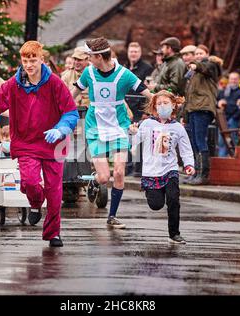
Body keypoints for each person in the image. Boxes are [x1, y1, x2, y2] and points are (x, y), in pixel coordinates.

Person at [0, 41, 79, 247]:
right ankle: (35, 203)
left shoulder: (55, 83)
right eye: (25, 61)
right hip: (25, 142)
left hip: (53, 143)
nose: (29, 65)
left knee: (54, 190)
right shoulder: (14, 84)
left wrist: (60, 128)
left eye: (33, 60)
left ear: (42, 60)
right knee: (30, 182)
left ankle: (53, 233)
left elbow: (71, 112)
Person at [72, 37, 153, 229]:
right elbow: (71, 96)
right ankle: (94, 181)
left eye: (90, 56)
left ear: (99, 56)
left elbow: (148, 94)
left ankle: (112, 216)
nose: (88, 60)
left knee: (118, 172)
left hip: (119, 128)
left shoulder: (125, 74)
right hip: (95, 128)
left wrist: (164, 105)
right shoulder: (89, 73)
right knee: (103, 178)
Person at [129, 90, 195, 243]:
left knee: (173, 200)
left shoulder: (178, 128)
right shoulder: (147, 124)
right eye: (159, 104)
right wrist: (133, 132)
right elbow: (134, 142)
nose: (162, 106)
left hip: (170, 169)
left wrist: (189, 164)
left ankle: (174, 233)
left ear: (173, 106)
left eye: (165, 103)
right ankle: (150, 193)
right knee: (156, 205)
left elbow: (186, 149)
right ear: (154, 107)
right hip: (151, 171)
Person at [183, 44, 223, 185]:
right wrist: (185, 114)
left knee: (200, 141)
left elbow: (205, 68)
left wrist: (196, 66)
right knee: (194, 142)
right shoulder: (194, 72)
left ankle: (203, 175)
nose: (198, 56)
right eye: (196, 54)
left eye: (201, 53)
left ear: (206, 54)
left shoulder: (211, 65)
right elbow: (189, 94)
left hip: (203, 108)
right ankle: (195, 173)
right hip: (193, 108)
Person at [124, 42, 153, 177]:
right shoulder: (124, 67)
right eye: (131, 51)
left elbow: (149, 88)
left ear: (140, 53)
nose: (133, 54)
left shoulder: (147, 68)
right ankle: (128, 166)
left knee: (140, 139)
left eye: (136, 51)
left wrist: (147, 112)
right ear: (128, 53)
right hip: (126, 107)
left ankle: (139, 169)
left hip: (140, 109)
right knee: (126, 138)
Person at [217, 72, 240, 157]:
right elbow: (217, 102)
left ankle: (232, 160)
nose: (233, 81)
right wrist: (219, 103)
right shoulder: (223, 91)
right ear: (229, 80)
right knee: (222, 142)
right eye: (232, 79)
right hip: (223, 119)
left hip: (234, 120)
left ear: (239, 80)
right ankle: (222, 161)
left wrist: (234, 117)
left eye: (235, 79)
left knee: (232, 141)